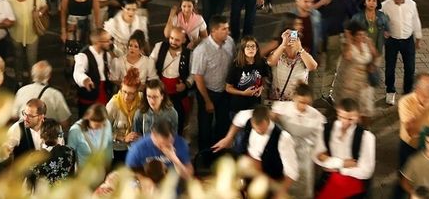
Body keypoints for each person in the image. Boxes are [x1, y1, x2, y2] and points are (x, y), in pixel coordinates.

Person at [212, 104, 300, 198]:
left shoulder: (283, 138)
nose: (258, 130)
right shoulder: (247, 116)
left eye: (262, 129)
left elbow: (292, 172)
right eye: (255, 128)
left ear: (268, 120)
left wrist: (280, 191)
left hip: (269, 178)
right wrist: (228, 137)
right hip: (249, 169)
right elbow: (237, 121)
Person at [191, 15, 234, 171]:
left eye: (227, 28)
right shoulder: (201, 50)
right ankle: (204, 158)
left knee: (223, 125)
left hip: (225, 93)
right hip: (207, 93)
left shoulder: (230, 42)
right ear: (214, 31)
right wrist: (207, 100)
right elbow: (198, 77)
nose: (227, 31)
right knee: (205, 128)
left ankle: (220, 156)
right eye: (224, 29)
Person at [270, 83, 327, 199]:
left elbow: (318, 137)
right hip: (285, 148)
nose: (303, 106)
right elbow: (272, 122)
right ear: (294, 98)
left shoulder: (316, 116)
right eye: (300, 102)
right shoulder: (283, 108)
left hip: (304, 152)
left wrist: (320, 152)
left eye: (306, 103)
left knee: (303, 181)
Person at [313, 97, 375, 199]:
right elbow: (317, 156)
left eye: (350, 119)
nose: (345, 122)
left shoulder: (366, 137)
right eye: (341, 117)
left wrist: (333, 164)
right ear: (337, 113)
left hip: (353, 187)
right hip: (331, 181)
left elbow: (366, 171)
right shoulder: (326, 129)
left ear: (358, 117)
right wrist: (343, 164)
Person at [382, 0, 422, 105]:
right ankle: (390, 91)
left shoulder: (411, 4)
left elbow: (416, 21)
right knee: (390, 68)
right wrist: (383, 29)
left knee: (410, 68)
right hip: (392, 41)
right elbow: (379, 19)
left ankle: (407, 92)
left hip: (408, 40)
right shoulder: (385, 5)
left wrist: (418, 38)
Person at [125, 119, 194, 180]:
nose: (165, 147)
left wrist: (175, 159)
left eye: (169, 143)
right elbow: (129, 176)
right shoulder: (137, 149)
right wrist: (144, 181)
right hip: (150, 190)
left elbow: (188, 176)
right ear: (153, 136)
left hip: (174, 189)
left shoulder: (180, 143)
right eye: (161, 144)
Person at [72, 29, 114, 117]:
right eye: (107, 41)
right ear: (98, 42)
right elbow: (78, 72)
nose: (110, 42)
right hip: (89, 97)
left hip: (103, 93)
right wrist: (85, 80)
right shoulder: (83, 55)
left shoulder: (107, 55)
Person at [0, 98, 47, 165]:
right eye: (25, 114)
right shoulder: (17, 128)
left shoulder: (53, 127)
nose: (25, 118)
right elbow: (0, 158)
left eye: (30, 116)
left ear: (41, 117)